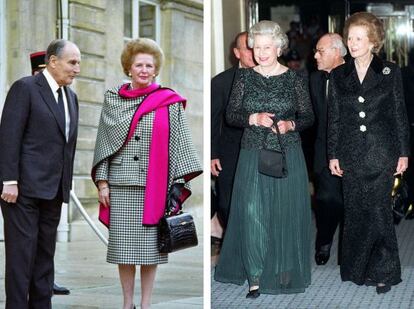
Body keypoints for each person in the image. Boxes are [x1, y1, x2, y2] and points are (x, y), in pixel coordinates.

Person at [91, 38, 202, 309]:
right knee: (124, 251)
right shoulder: (113, 99)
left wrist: (177, 184)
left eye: (149, 65)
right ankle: (128, 303)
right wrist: (102, 183)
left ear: (155, 70)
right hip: (120, 185)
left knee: (151, 251)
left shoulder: (169, 101)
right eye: (138, 64)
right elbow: (103, 143)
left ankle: (147, 303)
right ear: (128, 68)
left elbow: (179, 143)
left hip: (155, 186)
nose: (143, 69)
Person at [214, 20, 314, 298]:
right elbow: (231, 115)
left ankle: (281, 268)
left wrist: (290, 125)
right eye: (256, 47)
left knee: (283, 212)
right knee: (252, 212)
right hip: (253, 152)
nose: (261, 52)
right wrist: (252, 118)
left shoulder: (295, 78)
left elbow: (308, 116)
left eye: (267, 46)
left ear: (279, 47)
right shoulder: (243, 78)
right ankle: (255, 275)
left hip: (287, 152)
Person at [328, 12, 410, 294]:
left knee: (378, 212)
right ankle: (358, 268)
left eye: (359, 38)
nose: (352, 43)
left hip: (382, 152)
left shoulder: (389, 71)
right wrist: (333, 154)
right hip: (350, 153)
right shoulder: (339, 74)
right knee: (356, 211)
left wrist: (403, 153)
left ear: (373, 41)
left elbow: (399, 114)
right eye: (350, 37)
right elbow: (335, 117)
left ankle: (384, 272)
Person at [0, 39, 80, 308]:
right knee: (21, 258)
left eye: (78, 62)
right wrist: (9, 181)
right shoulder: (26, 88)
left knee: (45, 258)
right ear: (53, 61)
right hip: (21, 192)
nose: (77, 68)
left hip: (54, 191)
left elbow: (67, 145)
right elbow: (9, 136)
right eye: (72, 62)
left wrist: (66, 183)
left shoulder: (71, 97)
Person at [29, 50, 71, 296]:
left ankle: (46, 280)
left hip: (52, 182)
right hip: (30, 181)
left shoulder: (65, 97)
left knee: (47, 239)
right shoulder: (28, 91)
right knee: (29, 241)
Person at [210, 31, 255, 248]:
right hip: (230, 153)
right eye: (247, 47)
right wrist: (212, 155)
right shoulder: (220, 82)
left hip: (262, 152)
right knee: (226, 203)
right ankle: (233, 240)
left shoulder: (271, 79)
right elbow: (212, 121)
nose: (253, 52)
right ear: (237, 53)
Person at [310, 33, 346, 265]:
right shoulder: (314, 79)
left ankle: (349, 251)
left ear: (336, 52)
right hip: (324, 154)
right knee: (327, 199)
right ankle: (324, 241)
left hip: (355, 152)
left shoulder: (358, 76)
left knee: (353, 204)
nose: (315, 56)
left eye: (320, 51)